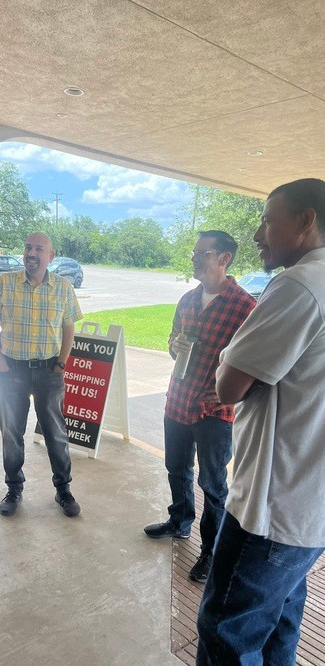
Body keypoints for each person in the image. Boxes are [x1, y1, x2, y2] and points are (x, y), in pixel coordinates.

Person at [197, 179, 325, 665]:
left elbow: (229, 386)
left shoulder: (299, 284)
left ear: (306, 221)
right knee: (278, 624)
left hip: (271, 510)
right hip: (309, 509)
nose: (257, 234)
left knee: (226, 632)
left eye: (269, 221)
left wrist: (227, 358)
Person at [144, 231, 256, 582]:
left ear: (224, 258)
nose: (194, 258)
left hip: (215, 414)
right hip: (178, 401)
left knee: (213, 483)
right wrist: (174, 346)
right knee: (176, 468)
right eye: (194, 252)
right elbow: (172, 343)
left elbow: (254, 363)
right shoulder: (188, 300)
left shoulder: (245, 307)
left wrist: (229, 393)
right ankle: (179, 522)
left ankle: (212, 551)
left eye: (202, 253)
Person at [0, 231, 83, 518]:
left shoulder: (63, 287)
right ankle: (13, 489)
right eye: (28, 247)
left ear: (50, 256)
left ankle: (63, 489)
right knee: (11, 432)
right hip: (11, 371)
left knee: (56, 433)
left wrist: (61, 363)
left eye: (39, 249)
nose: (32, 253)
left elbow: (68, 327)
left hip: (49, 372)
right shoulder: (6, 283)